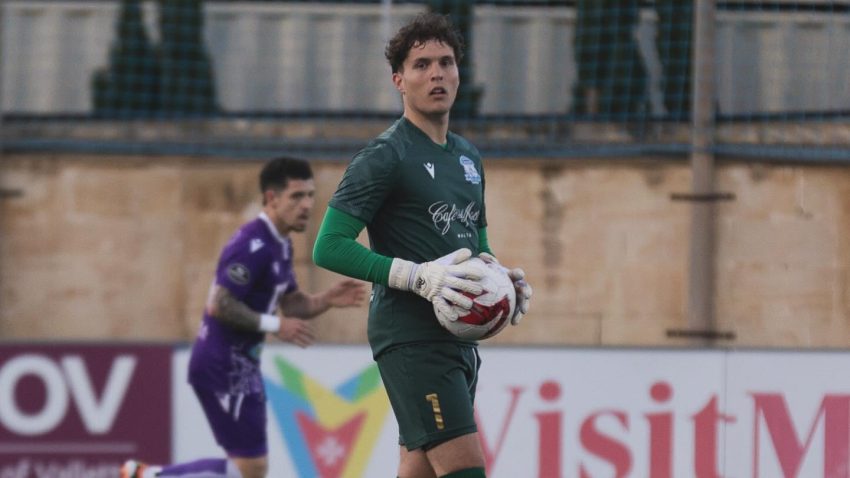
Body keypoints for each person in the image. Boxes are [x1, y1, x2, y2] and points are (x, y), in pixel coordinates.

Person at [312, 13, 532, 478]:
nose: (437, 74)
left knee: (420, 470)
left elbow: (477, 243)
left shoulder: (469, 157)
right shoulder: (384, 156)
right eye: (422, 64)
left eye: (446, 62)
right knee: (464, 468)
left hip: (457, 338)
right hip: (409, 335)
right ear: (399, 80)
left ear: (459, 73)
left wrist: (501, 279)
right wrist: (416, 275)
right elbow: (328, 246)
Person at [121, 157, 366, 478]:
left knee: (251, 469)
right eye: (296, 196)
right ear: (271, 198)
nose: (307, 205)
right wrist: (275, 325)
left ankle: (148, 475)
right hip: (222, 364)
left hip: (241, 366)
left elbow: (292, 304)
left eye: (310, 195)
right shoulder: (253, 244)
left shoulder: (281, 244)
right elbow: (219, 304)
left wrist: (327, 300)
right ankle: (149, 476)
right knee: (249, 468)